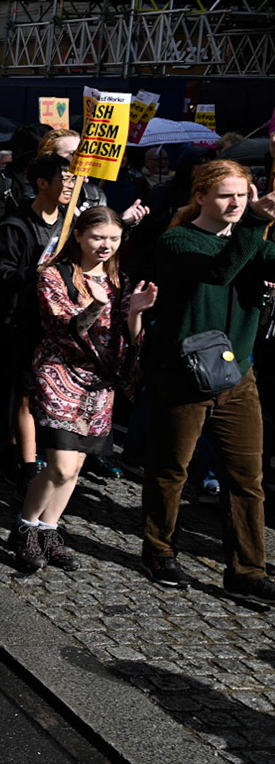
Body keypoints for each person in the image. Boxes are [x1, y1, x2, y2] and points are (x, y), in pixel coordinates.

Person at [137, 160, 275, 603]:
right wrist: (256, 222)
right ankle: (159, 549)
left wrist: (259, 227)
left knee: (246, 478)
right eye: (225, 195)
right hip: (184, 374)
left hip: (238, 377)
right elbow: (221, 270)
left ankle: (247, 570)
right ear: (200, 197)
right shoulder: (178, 240)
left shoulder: (252, 237)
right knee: (171, 468)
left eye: (243, 196)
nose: (236, 203)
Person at [11, 207, 155, 572]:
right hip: (59, 373)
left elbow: (130, 339)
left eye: (113, 239)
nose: (105, 245)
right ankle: (26, 526)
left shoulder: (120, 279)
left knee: (75, 468)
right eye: (97, 237)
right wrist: (95, 305)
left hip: (99, 381)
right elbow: (65, 328)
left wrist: (136, 312)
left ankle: (49, 529)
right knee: (59, 465)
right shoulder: (53, 275)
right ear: (77, 235)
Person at [0, 152, 71, 483]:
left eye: (76, 180)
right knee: (24, 391)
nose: (71, 186)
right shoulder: (15, 226)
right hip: (20, 321)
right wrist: (34, 273)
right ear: (42, 183)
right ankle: (21, 461)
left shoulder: (71, 224)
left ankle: (19, 452)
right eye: (65, 179)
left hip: (57, 324)